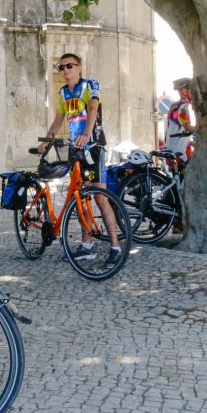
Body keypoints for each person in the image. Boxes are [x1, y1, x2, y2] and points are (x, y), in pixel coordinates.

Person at [37, 52, 120, 266]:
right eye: (61, 67)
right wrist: (47, 141)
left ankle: (115, 246)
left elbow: (93, 108)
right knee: (80, 196)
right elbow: (58, 120)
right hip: (75, 150)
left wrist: (87, 134)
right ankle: (87, 246)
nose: (65, 70)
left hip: (93, 147)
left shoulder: (90, 85)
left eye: (69, 66)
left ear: (79, 67)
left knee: (100, 196)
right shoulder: (63, 92)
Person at [165, 77, 196, 162]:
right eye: (192, 90)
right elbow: (187, 128)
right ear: (185, 91)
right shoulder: (182, 108)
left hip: (172, 148)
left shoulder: (174, 106)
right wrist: (202, 128)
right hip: (180, 152)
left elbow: (179, 131)